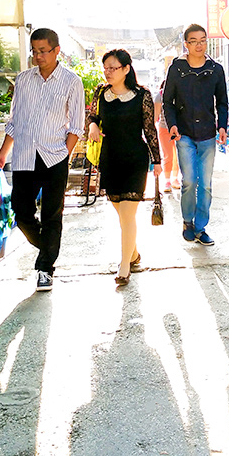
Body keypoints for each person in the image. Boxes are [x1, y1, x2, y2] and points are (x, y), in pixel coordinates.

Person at [0, 28, 85, 292]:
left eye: (43, 51)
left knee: (52, 214)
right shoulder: (23, 80)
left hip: (54, 157)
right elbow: (15, 122)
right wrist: (2, 154)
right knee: (21, 213)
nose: (38, 56)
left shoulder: (71, 81)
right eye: (35, 51)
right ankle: (49, 246)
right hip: (24, 157)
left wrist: (64, 152)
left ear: (56, 51)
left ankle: (45, 268)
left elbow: (77, 125)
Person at [86, 49, 162, 285]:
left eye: (113, 68)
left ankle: (124, 265)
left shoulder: (142, 95)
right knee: (122, 215)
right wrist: (92, 126)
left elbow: (149, 129)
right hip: (109, 159)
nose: (108, 72)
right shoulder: (101, 92)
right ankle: (134, 253)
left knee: (128, 214)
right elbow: (93, 116)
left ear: (126, 69)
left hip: (134, 160)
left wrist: (157, 160)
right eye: (106, 68)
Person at [162, 24, 229, 246]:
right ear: (186, 44)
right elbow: (167, 102)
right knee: (190, 181)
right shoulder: (177, 69)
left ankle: (201, 228)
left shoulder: (215, 69)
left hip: (208, 133)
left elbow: (222, 102)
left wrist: (222, 126)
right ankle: (187, 222)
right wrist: (172, 124)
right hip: (184, 134)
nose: (199, 45)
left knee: (206, 184)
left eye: (203, 40)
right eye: (194, 41)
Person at [153, 79, 180, 192]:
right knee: (168, 155)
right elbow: (156, 115)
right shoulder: (159, 96)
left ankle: (175, 179)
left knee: (178, 155)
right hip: (164, 128)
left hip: (179, 128)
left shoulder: (179, 93)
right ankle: (167, 180)